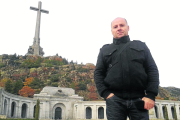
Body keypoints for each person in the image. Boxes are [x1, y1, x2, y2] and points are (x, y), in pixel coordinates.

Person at [94, 17, 159, 120]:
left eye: (122, 25)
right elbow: (98, 73)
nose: (119, 28)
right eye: (115, 27)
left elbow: (152, 70)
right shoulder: (105, 50)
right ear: (112, 31)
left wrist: (151, 95)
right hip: (115, 101)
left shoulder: (141, 45)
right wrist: (105, 93)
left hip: (139, 99)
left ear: (128, 28)